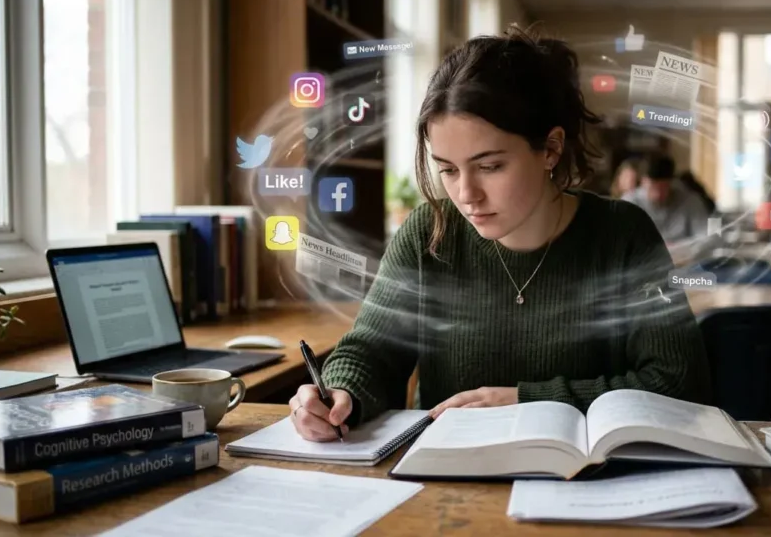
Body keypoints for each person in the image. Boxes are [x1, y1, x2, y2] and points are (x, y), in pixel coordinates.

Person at [289, 26, 710, 442]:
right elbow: (370, 352)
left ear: (550, 149)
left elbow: (678, 382)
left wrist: (531, 401)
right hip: (445, 480)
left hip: (590, 485)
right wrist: (338, 393)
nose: (465, 195)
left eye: (489, 166)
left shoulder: (624, 235)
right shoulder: (428, 234)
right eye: (448, 170)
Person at [623, 154, 711, 249]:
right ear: (643, 181)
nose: (658, 194)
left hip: (685, 259)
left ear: (672, 182)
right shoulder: (629, 203)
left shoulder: (690, 201)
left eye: (664, 187)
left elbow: (705, 237)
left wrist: (680, 248)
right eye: (653, 187)